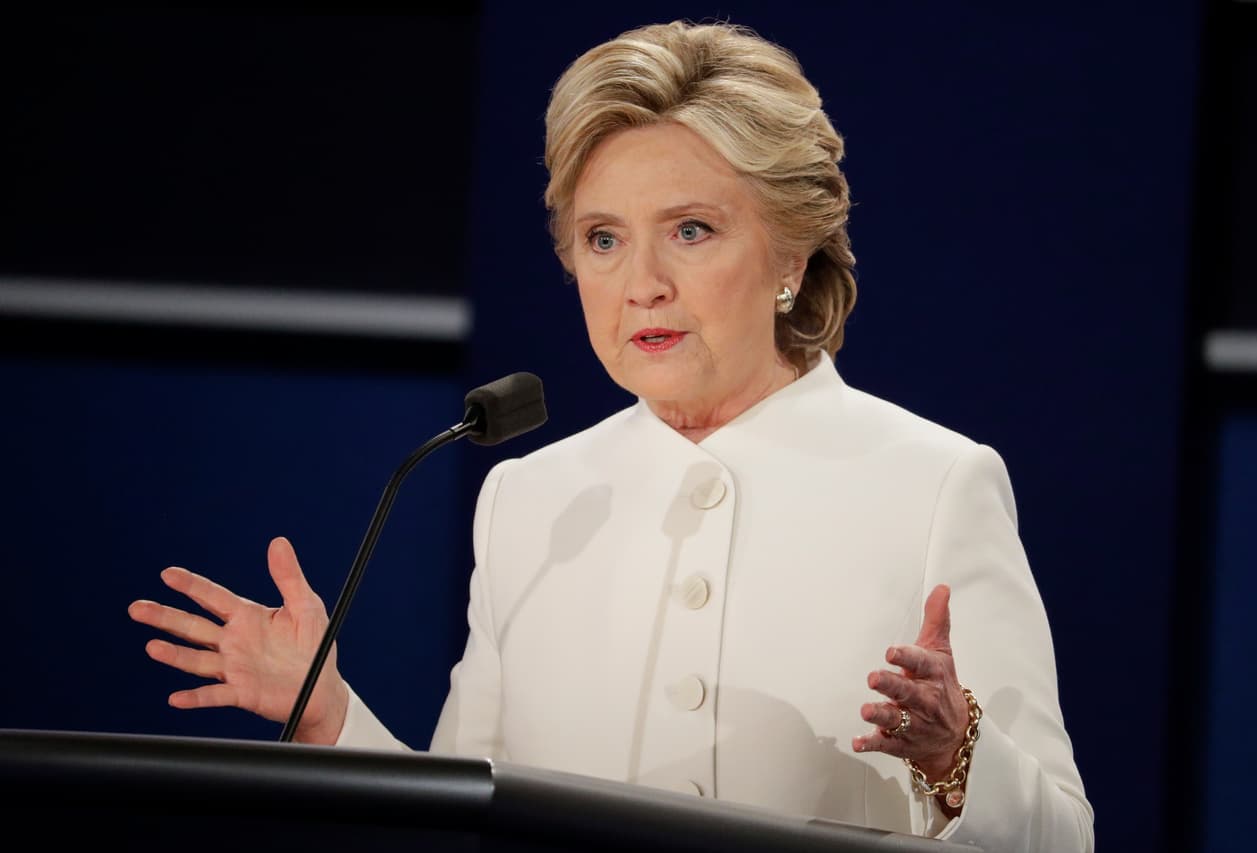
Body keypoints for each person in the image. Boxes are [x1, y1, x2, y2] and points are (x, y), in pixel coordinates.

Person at [128, 19, 1093, 852]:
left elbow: (1064, 836)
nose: (642, 285)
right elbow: (473, 810)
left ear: (792, 252)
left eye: (691, 230)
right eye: (603, 238)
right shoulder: (531, 499)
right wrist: (334, 718)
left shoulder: (933, 483)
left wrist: (958, 748)